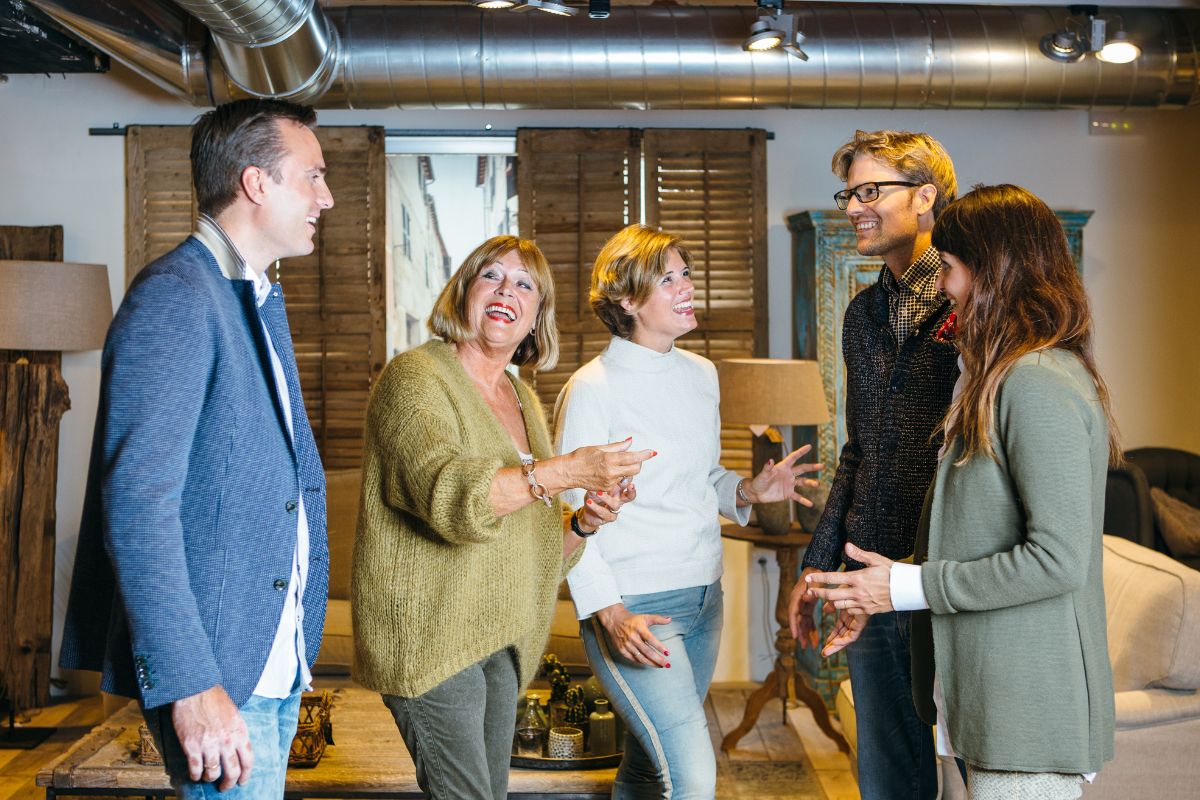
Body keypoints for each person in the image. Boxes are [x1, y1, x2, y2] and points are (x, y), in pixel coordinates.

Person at [805, 184, 1118, 799]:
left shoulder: (1036, 382)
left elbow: (1057, 560)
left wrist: (905, 585)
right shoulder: (994, 378)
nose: (942, 287)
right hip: (988, 698)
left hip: (1026, 708)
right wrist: (880, 587)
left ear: (995, 273)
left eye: (949, 269)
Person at [59, 99, 335, 798]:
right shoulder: (177, 298)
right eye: (313, 177)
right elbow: (138, 506)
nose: (325, 198)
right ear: (256, 183)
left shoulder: (253, 297)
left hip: (267, 661)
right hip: (218, 671)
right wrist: (189, 684)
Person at [351, 235, 652, 800]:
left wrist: (584, 521)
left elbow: (534, 551)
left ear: (537, 316)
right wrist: (563, 472)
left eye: (524, 284)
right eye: (490, 276)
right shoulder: (415, 380)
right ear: (465, 292)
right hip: (432, 642)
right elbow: (450, 497)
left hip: (498, 644)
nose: (505, 290)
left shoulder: (520, 398)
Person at [555, 224, 822, 799]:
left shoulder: (701, 375)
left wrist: (750, 491)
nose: (686, 288)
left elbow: (701, 479)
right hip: (639, 611)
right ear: (626, 300)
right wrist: (610, 613)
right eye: (667, 279)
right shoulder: (591, 388)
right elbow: (569, 512)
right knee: (694, 781)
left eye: (686, 274)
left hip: (704, 597)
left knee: (650, 769)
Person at [786, 129, 960, 800]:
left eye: (870, 191)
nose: (854, 207)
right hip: (866, 577)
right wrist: (818, 563)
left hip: (941, 579)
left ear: (924, 197)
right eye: (849, 193)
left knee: (973, 769)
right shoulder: (862, 314)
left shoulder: (970, 299)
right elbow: (860, 448)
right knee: (887, 776)